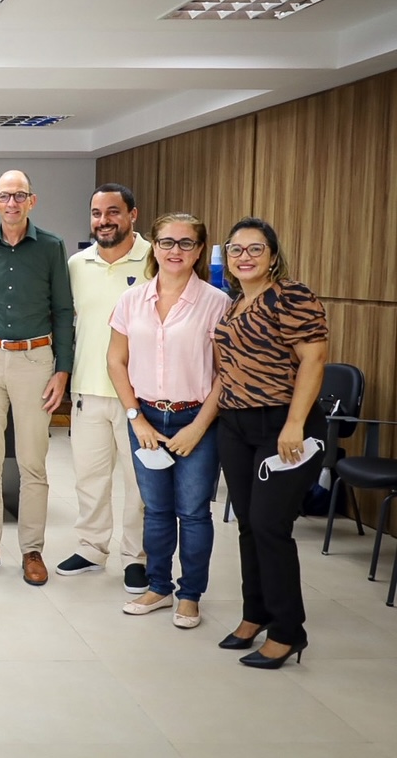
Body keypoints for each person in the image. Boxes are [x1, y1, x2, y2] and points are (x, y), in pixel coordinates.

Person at [213, 217, 328, 669]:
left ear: (273, 255)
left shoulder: (293, 295)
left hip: (284, 425)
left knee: (269, 525)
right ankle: (254, 613)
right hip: (237, 426)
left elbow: (314, 360)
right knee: (247, 523)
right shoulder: (236, 301)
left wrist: (295, 423)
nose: (245, 257)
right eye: (236, 249)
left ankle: (287, 630)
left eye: (255, 249)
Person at [108, 213, 230, 628]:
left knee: (193, 511)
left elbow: (224, 375)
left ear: (199, 250)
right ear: (153, 247)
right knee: (156, 509)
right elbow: (116, 360)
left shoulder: (217, 303)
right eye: (166, 242)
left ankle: (191, 594)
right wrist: (135, 418)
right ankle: (159, 587)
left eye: (185, 243)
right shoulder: (131, 300)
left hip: (197, 416)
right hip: (144, 416)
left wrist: (199, 427)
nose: (174, 250)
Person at [0, 170, 74, 586]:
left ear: (32, 201)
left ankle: (32, 550)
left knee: (32, 462)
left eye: (19, 195)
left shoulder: (51, 247)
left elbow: (63, 311)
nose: (12, 203)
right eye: (5, 196)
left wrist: (63, 370)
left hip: (35, 360)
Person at [59, 184, 151, 593]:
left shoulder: (155, 259)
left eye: (113, 212)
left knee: (139, 484)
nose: (104, 221)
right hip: (88, 390)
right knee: (90, 478)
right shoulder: (77, 264)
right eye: (97, 214)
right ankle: (92, 548)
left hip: (141, 395)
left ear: (133, 214)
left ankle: (136, 557)